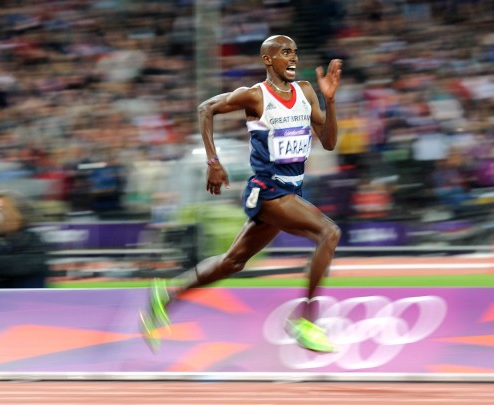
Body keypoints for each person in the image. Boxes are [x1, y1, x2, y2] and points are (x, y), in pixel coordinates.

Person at [139, 35, 343, 353]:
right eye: (285, 52)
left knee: (232, 262)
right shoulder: (254, 96)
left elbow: (329, 143)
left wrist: (329, 101)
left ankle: (165, 295)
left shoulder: (305, 92)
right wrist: (213, 162)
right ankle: (305, 320)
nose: (293, 58)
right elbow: (205, 108)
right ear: (268, 60)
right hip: (269, 191)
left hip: (291, 190)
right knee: (329, 233)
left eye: (295, 52)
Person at [0, 191, 50, 288]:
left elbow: (28, 264)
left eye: (2, 210)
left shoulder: (32, 239)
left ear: (17, 213)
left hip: (28, 299)